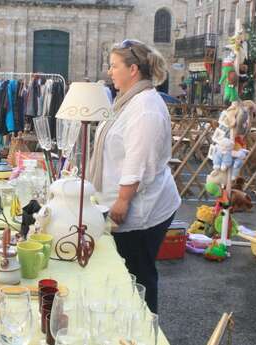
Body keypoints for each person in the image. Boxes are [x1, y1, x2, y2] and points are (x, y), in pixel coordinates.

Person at [88, 39, 181, 314]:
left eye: (114, 66)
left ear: (133, 70)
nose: (109, 71)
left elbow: (138, 159)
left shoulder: (145, 107)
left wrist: (122, 200)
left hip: (143, 210)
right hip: (127, 202)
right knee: (126, 272)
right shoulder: (127, 102)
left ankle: (143, 329)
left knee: (138, 276)